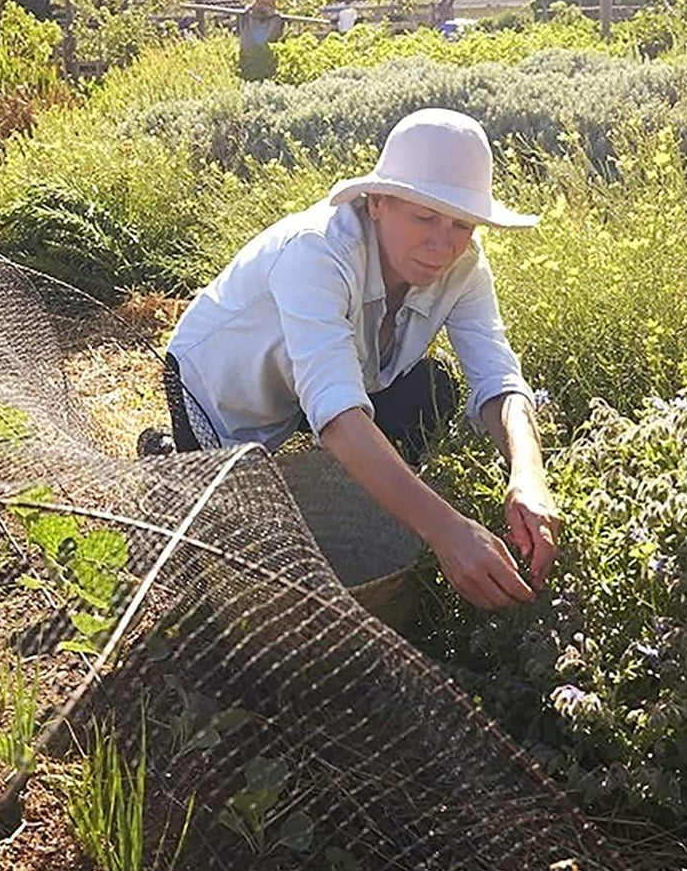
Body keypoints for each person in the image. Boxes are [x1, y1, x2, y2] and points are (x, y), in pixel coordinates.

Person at [156, 108, 560, 612]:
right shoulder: (317, 252)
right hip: (222, 387)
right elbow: (339, 416)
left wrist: (528, 475)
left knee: (428, 392)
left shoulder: (466, 265)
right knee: (225, 544)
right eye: (425, 216)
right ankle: (172, 455)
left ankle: (365, 499)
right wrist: (446, 530)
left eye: (461, 223)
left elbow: (496, 374)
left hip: (327, 380)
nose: (443, 243)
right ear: (377, 204)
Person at [235, 0, 284, 80]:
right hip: (247, 60)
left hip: (265, 62)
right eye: (260, 3)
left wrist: (270, 14)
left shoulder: (275, 20)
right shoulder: (247, 18)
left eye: (266, 4)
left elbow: (276, 32)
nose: (261, 7)